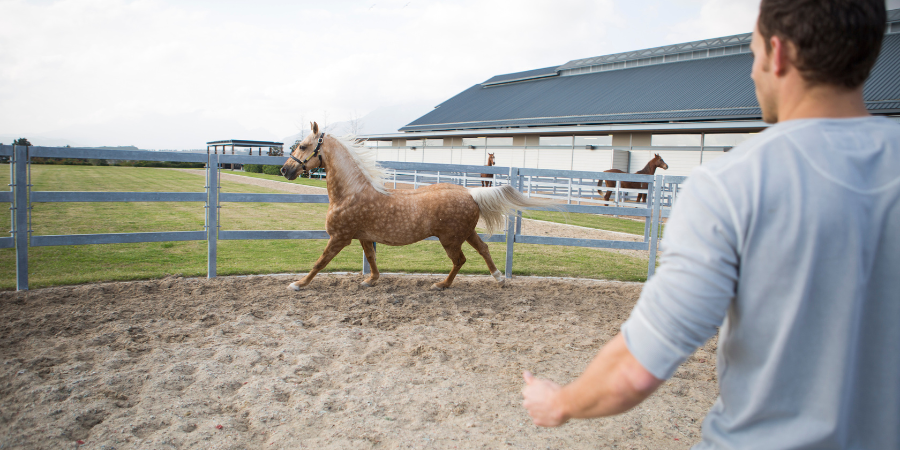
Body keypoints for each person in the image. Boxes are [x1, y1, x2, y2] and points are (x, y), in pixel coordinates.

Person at [521, 1, 900, 448]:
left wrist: (561, 401)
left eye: (753, 54)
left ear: (777, 54)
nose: (753, 72)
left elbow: (637, 369)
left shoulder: (731, 184)